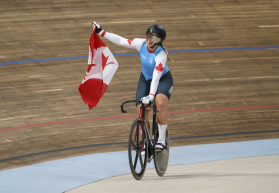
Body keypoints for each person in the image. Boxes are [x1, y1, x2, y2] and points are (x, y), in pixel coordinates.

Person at [92, 21, 173, 150]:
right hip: (145, 79)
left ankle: (162, 139)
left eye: (153, 38)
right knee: (141, 111)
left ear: (158, 41)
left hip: (163, 80)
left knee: (160, 104)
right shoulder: (140, 43)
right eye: (148, 36)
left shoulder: (160, 55)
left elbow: (157, 77)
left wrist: (151, 95)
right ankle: (146, 141)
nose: (149, 40)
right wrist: (101, 32)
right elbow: (121, 41)